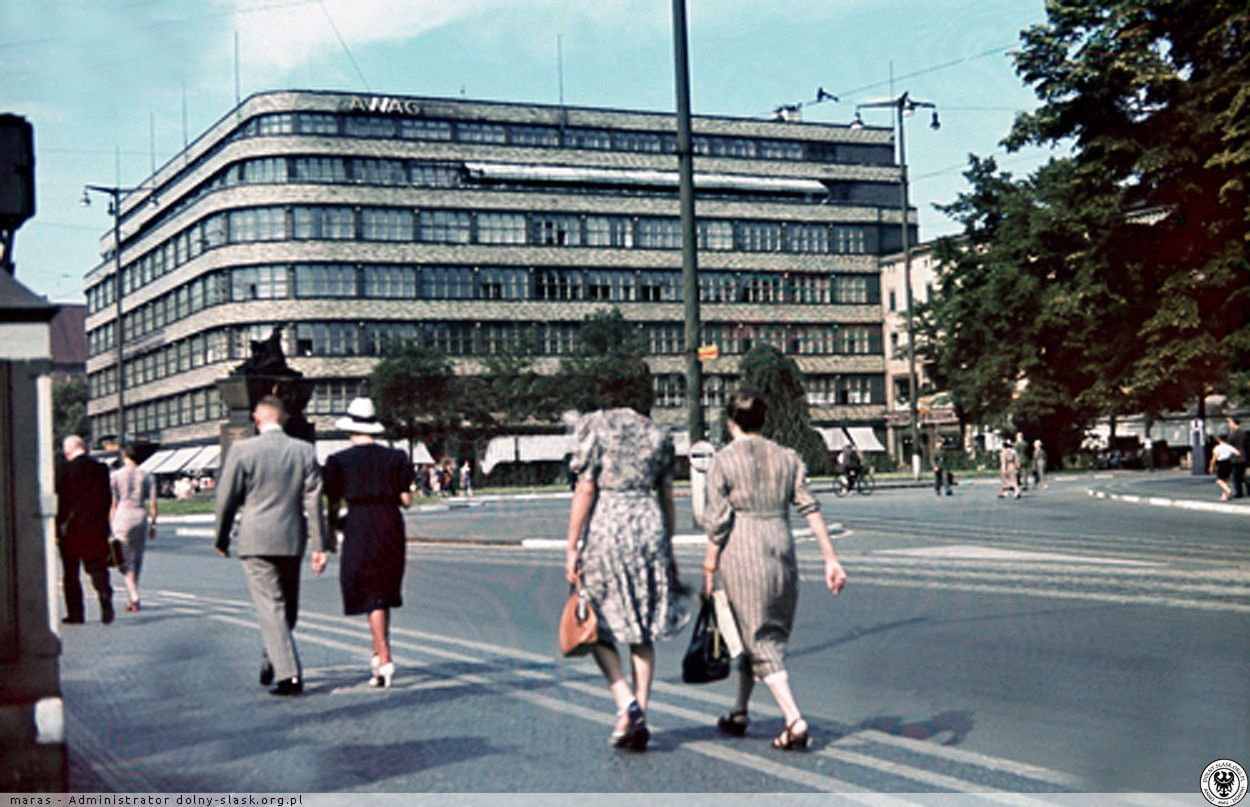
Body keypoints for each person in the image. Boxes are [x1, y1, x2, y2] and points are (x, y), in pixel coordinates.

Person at [701, 389, 848, 751]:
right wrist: (831, 557)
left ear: (731, 421)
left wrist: (708, 566)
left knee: (760, 638)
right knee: (763, 632)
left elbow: (718, 523)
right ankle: (740, 710)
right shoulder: (787, 457)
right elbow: (809, 507)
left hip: (743, 548)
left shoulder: (723, 461)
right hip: (781, 546)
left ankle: (794, 719)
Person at [564, 373, 688, 752]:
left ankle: (625, 702)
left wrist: (572, 545)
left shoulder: (594, 428)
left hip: (609, 526)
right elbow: (667, 494)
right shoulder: (658, 434)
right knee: (642, 626)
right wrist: (667, 541)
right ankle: (641, 713)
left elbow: (586, 487)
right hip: (648, 524)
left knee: (595, 621)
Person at [215, 396, 330, 696]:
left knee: (272, 607)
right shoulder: (304, 451)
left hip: (255, 539)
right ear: (283, 419)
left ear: (257, 419)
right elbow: (314, 501)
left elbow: (226, 498)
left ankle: (284, 669)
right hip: (291, 537)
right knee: (286, 607)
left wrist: (222, 537)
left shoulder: (242, 450)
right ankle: (280, 663)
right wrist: (320, 545)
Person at [323, 397, 414, 688]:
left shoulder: (338, 462)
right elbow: (407, 501)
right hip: (390, 524)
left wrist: (331, 533)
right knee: (382, 591)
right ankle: (378, 659)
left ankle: (384, 657)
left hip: (359, 525)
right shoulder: (396, 457)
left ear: (349, 429)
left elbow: (332, 502)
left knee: (370, 592)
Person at [55, 435, 115, 625]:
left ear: (67, 450)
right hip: (96, 527)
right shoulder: (100, 469)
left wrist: (57, 527)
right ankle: (104, 592)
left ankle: (76, 613)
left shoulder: (63, 470)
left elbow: (60, 500)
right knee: (97, 565)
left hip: (70, 528)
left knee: (71, 572)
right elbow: (107, 498)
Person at [109, 444, 157, 612]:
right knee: (137, 558)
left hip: (123, 516)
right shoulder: (147, 476)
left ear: (124, 456)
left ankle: (134, 595)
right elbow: (152, 503)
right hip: (140, 515)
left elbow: (113, 503)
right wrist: (153, 524)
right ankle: (132, 598)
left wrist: (110, 524)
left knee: (123, 559)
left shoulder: (116, 475)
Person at [1208, 434, 1241, 502]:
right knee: (1225, 480)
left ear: (1219, 439)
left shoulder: (1217, 447)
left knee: (1219, 480)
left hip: (1221, 463)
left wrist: (1211, 466)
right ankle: (1224, 496)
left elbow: (1214, 457)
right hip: (1228, 462)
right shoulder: (1229, 447)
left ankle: (1227, 490)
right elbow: (1238, 453)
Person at [1227, 417, 1247, 498]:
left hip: (1237, 457)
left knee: (1237, 476)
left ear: (1234, 423)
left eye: (1230, 422)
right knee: (1242, 475)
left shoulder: (1235, 433)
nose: (1229, 424)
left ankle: (1239, 492)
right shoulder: (1243, 432)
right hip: (1243, 456)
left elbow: (1229, 442)